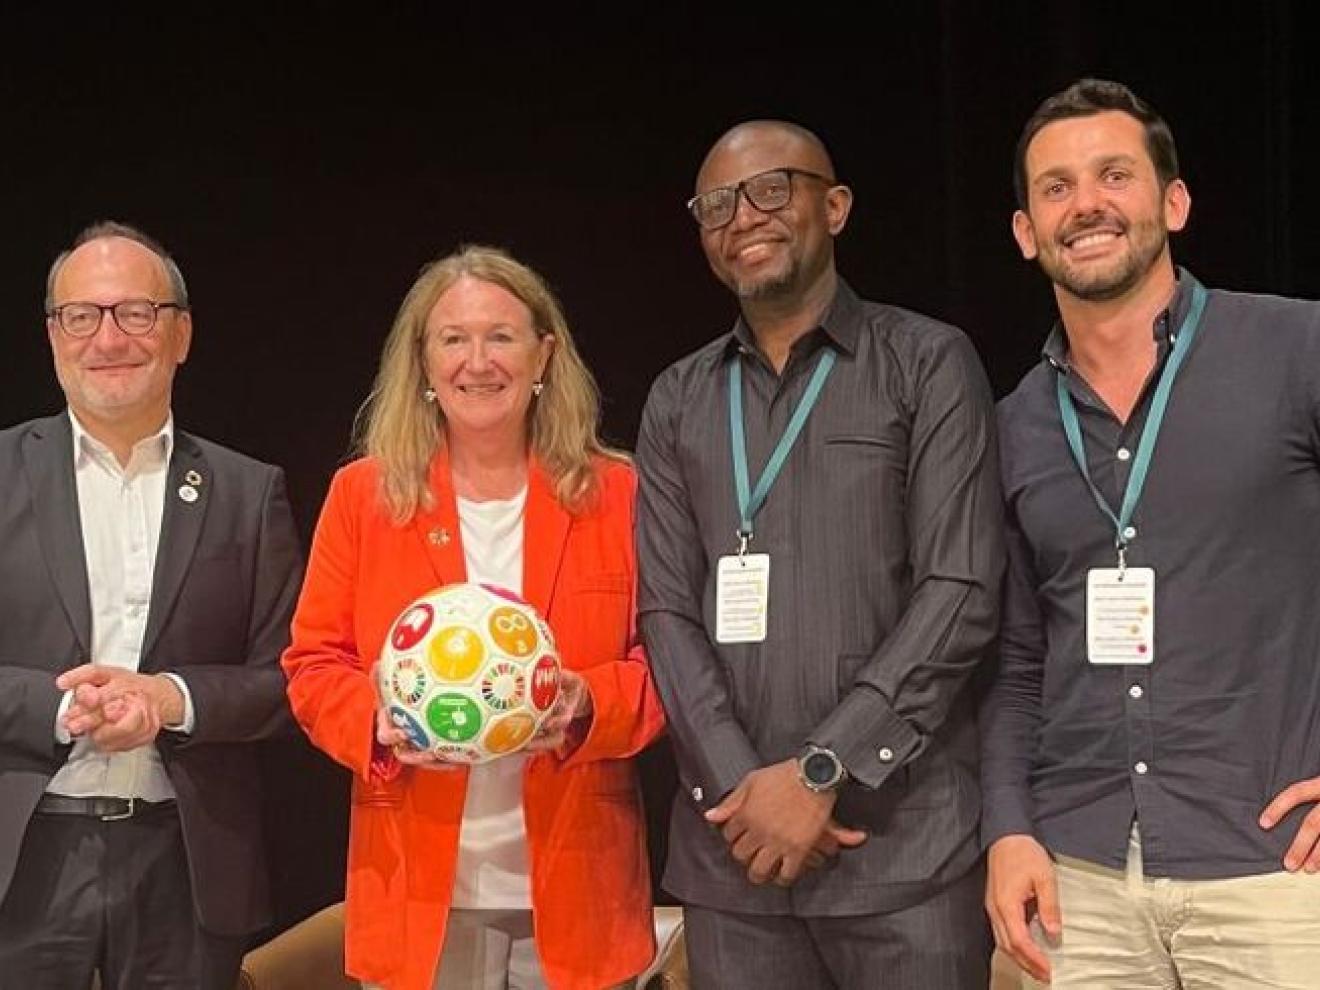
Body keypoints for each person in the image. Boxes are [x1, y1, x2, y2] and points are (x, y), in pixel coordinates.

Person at [635, 120, 1002, 989]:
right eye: (716, 204)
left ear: (833, 207)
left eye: (772, 189)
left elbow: (961, 589)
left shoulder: (928, 362)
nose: (743, 217)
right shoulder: (678, 397)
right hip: (735, 864)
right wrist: (744, 794)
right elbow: (666, 611)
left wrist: (820, 769)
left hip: (904, 853)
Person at [984, 78, 1320, 989]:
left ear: (1172, 202)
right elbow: (1017, 658)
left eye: (1113, 175)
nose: (1085, 203)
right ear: (1026, 232)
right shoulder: (1015, 423)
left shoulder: (1295, 350)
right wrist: (1010, 824)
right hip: (1078, 880)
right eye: (1054, 188)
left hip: (1274, 873)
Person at [282, 245, 665, 990]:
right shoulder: (365, 496)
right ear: (422, 362)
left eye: (501, 336)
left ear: (543, 354)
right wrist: (378, 723)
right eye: (452, 338)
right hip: (420, 897)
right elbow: (313, 664)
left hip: (581, 889)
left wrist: (591, 705)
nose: (477, 361)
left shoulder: (618, 494)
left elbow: (670, 664)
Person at [0, 221, 303, 989]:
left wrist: (171, 699)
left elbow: (287, 679)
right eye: (83, 315)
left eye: (136, 313)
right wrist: (57, 707)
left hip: (188, 865)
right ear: (52, 335)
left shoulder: (247, 490)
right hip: (23, 860)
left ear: (181, 334)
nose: (109, 337)